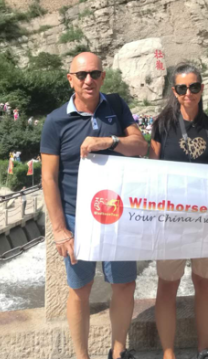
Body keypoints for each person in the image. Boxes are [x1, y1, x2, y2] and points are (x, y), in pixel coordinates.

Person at [40, 52, 148, 359]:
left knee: (125, 285)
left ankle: (118, 351)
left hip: (119, 213)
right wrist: (60, 230)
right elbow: (49, 178)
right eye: (82, 74)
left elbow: (140, 146)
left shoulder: (116, 105)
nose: (89, 80)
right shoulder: (56, 121)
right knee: (80, 289)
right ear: (70, 79)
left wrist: (109, 141)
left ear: (102, 76)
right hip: (77, 217)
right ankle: (81, 355)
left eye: (95, 73)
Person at [148, 63, 208, 359]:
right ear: (174, 92)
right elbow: (151, 173)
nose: (188, 93)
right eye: (182, 88)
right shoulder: (162, 125)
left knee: (204, 284)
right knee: (168, 284)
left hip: (204, 220)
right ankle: (169, 353)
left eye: (194, 87)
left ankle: (203, 349)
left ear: (202, 88)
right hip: (170, 219)